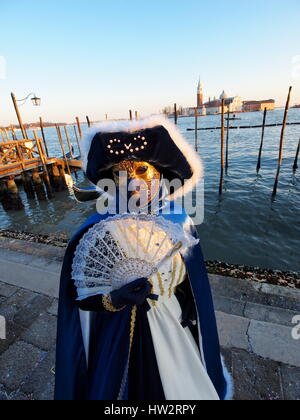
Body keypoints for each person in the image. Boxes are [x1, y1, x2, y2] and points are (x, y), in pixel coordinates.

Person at [55, 116, 233, 401]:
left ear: (161, 174)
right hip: (117, 329)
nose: (133, 183)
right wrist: (115, 299)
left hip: (172, 320)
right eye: (121, 173)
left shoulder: (179, 221)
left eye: (142, 170)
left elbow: (189, 276)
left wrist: (188, 301)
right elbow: (80, 296)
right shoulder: (101, 231)